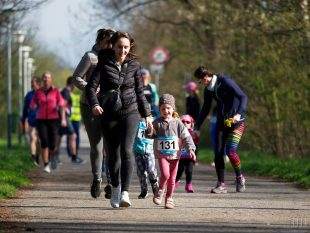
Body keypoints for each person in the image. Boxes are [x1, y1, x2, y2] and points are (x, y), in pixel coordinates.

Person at [86, 31, 152, 208]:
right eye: (119, 47)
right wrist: (94, 104)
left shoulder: (135, 66)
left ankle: (125, 192)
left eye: (126, 47)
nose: (122, 50)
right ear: (113, 46)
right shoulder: (103, 62)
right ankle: (115, 187)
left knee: (127, 150)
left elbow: (140, 92)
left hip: (131, 112)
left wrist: (147, 115)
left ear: (130, 48)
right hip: (109, 113)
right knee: (113, 154)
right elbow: (91, 88)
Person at [72, 28, 115, 199]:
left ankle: (111, 182)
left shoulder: (114, 57)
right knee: (97, 145)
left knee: (111, 145)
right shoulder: (90, 56)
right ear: (103, 39)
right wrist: (91, 88)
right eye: (110, 41)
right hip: (89, 104)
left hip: (110, 106)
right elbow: (76, 77)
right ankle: (97, 178)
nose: (112, 45)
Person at [194, 66, 248, 193]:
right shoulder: (208, 90)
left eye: (203, 79)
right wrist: (197, 127)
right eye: (200, 80)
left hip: (237, 122)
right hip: (222, 122)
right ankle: (221, 184)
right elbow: (205, 109)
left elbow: (243, 97)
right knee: (218, 152)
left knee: (230, 151)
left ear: (208, 75)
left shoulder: (225, 81)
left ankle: (240, 177)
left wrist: (238, 114)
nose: (203, 82)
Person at [150, 94, 196, 209]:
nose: (166, 111)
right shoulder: (157, 122)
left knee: (172, 179)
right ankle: (160, 190)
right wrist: (149, 130)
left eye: (168, 108)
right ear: (160, 110)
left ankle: (169, 198)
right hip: (162, 155)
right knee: (165, 174)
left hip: (175, 155)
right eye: (163, 109)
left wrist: (191, 148)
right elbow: (150, 135)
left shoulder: (178, 123)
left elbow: (186, 137)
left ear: (173, 109)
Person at [30, 71, 66, 173]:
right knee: (44, 141)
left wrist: (63, 119)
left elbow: (62, 104)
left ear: (51, 80)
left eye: (48, 77)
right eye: (44, 77)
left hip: (54, 120)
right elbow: (33, 103)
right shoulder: (38, 92)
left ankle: (52, 156)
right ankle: (46, 164)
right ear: (42, 80)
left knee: (53, 143)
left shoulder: (56, 92)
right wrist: (33, 106)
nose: (46, 79)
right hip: (41, 120)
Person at [53, 76, 84, 169]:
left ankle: (55, 157)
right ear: (72, 84)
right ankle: (73, 157)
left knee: (58, 138)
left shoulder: (63, 92)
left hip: (60, 118)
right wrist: (63, 119)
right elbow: (62, 106)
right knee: (73, 136)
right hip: (64, 118)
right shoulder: (66, 92)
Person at [133, 118, 159, 199]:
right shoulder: (134, 121)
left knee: (151, 170)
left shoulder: (152, 121)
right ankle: (144, 190)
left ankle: (155, 185)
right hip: (137, 150)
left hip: (148, 150)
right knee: (141, 172)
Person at [175, 114, 199, 193]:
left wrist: (195, 156)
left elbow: (196, 146)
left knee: (189, 171)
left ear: (191, 124)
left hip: (189, 157)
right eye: (183, 121)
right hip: (180, 156)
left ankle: (189, 184)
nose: (185, 123)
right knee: (179, 170)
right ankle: (175, 181)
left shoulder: (194, 134)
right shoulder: (177, 133)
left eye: (187, 122)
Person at [20, 76, 41, 166]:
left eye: (33, 83)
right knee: (33, 138)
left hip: (41, 120)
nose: (32, 84)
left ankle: (37, 156)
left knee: (39, 141)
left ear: (38, 84)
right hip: (32, 120)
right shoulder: (29, 95)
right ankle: (32, 157)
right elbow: (25, 108)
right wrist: (23, 119)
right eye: (31, 83)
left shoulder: (43, 94)